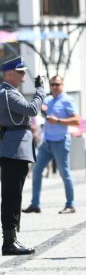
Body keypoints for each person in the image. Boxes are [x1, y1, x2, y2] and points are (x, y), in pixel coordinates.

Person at [0, 56, 45, 255]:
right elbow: (32, 109)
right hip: (13, 150)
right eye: (20, 72)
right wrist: (41, 91)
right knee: (12, 196)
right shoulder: (8, 93)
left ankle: (11, 239)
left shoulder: (10, 92)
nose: (24, 75)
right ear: (10, 74)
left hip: (15, 148)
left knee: (13, 195)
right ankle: (9, 242)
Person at [23, 75, 80, 214]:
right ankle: (35, 204)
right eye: (52, 84)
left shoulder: (68, 100)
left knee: (64, 173)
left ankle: (70, 205)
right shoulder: (48, 99)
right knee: (36, 172)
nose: (54, 87)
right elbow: (39, 109)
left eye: (57, 84)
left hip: (61, 142)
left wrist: (59, 121)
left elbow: (77, 121)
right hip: (47, 143)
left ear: (62, 85)